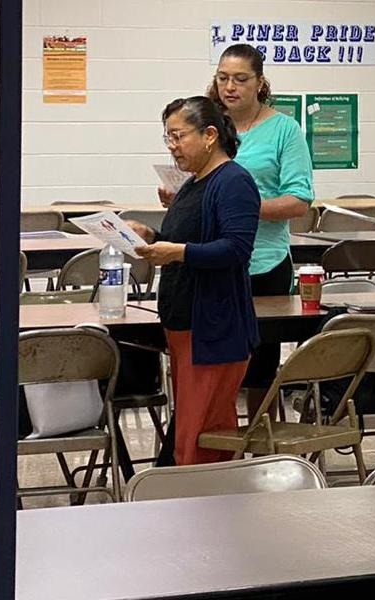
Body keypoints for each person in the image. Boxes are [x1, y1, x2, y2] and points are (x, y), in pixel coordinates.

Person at [129, 96, 260, 465]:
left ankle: (203, 513)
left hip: (213, 330)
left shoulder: (233, 181)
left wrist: (177, 252)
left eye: (178, 136)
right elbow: (191, 239)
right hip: (184, 325)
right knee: (194, 433)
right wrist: (150, 237)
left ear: (209, 136)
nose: (172, 147)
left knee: (198, 440)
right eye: (167, 138)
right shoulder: (193, 183)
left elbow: (235, 250)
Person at [190, 43, 315, 418]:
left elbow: (299, 200)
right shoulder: (208, 127)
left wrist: (243, 209)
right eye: (223, 78)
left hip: (263, 264)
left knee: (260, 367)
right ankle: (217, 442)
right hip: (212, 259)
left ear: (260, 83)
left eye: (241, 79)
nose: (230, 86)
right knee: (214, 363)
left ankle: (262, 442)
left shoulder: (283, 130)